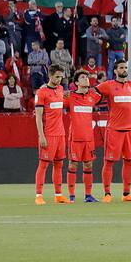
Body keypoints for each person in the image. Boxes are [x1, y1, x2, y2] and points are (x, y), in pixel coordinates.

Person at [96, 61, 131, 202]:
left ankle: (126, 194)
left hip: (129, 129)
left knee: (129, 161)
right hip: (114, 129)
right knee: (109, 162)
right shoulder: (108, 85)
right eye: (121, 68)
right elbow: (93, 92)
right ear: (115, 71)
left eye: (125, 67)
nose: (124, 70)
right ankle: (107, 194)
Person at [33, 68, 68, 204]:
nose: (59, 79)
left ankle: (58, 194)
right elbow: (38, 116)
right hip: (48, 134)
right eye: (57, 76)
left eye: (61, 77)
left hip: (60, 134)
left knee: (59, 164)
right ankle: (39, 195)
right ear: (50, 76)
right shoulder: (41, 93)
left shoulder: (60, 89)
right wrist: (41, 135)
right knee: (43, 164)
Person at [66, 71, 102, 202]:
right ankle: (72, 196)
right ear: (76, 83)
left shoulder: (93, 96)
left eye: (86, 77)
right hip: (75, 137)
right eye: (82, 77)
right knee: (73, 164)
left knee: (88, 165)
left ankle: (88, 195)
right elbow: (55, 102)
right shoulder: (69, 97)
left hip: (89, 138)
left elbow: (107, 95)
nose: (86, 79)